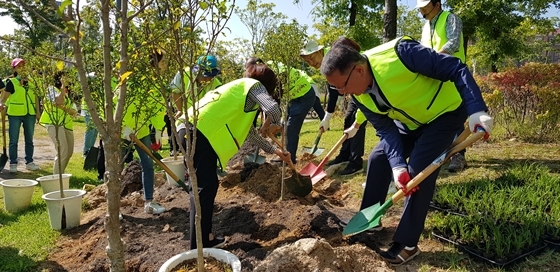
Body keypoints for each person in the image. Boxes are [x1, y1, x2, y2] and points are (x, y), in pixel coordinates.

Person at [320, 36, 492, 265]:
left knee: (420, 169)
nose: (341, 93)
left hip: (445, 113)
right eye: (336, 88)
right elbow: (386, 130)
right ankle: (371, 217)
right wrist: (398, 165)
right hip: (410, 121)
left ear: (359, 70)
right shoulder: (359, 96)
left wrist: (476, 109)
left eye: (342, 85)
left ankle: (407, 243)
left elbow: (455, 67)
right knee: (379, 157)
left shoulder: (400, 54)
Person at [175, 61, 291, 249]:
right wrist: (276, 123)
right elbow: (273, 109)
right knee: (205, 188)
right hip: (200, 132)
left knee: (204, 186)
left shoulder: (240, 93)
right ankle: (200, 245)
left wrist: (275, 151)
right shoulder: (253, 86)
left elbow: (250, 133)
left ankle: (203, 240)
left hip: (187, 129)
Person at [300, 40, 366, 176]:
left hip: (362, 86)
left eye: (312, 58)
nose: (311, 63)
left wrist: (328, 117)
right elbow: (333, 90)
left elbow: (335, 92)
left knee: (356, 122)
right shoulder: (326, 62)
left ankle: (355, 163)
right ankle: (345, 155)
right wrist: (327, 117)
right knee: (348, 119)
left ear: (319, 51)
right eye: (308, 61)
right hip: (354, 91)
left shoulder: (334, 56)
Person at [417, 0, 468, 172]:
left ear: (437, 4)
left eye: (425, 8)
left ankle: (458, 156)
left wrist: (434, 61)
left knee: (456, 115)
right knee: (438, 118)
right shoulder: (425, 26)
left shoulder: (451, 18)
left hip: (453, 76)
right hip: (434, 79)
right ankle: (442, 152)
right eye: (420, 9)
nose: (422, 12)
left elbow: (453, 43)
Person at [120, 50, 168, 215]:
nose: (165, 65)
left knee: (148, 165)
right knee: (115, 167)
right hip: (123, 131)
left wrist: (159, 129)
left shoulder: (156, 83)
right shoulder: (135, 79)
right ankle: (113, 207)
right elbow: (121, 100)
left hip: (141, 131)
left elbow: (157, 109)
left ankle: (148, 202)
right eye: (163, 62)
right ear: (154, 62)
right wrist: (124, 126)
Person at [167, 55, 222, 156]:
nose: (209, 79)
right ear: (198, 71)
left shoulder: (216, 83)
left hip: (204, 119)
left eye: (212, 76)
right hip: (186, 117)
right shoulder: (184, 74)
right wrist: (179, 110)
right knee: (184, 143)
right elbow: (176, 91)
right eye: (206, 76)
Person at [268, 61, 316, 164]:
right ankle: (285, 154)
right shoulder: (271, 68)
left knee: (291, 128)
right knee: (284, 125)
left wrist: (268, 123)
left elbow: (277, 99)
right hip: (293, 98)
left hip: (304, 97)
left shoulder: (278, 72)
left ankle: (290, 159)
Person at [0, 58, 41, 173]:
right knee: (13, 140)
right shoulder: (11, 82)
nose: (22, 68)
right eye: (19, 66)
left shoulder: (33, 81)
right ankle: (13, 163)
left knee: (29, 140)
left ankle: (29, 162)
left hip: (30, 114)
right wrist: (1, 104)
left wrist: (38, 112)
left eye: (23, 65)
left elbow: (36, 97)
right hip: (15, 115)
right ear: (14, 69)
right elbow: (3, 99)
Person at [39, 71, 77, 174]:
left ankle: (61, 174)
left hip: (66, 124)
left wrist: (68, 109)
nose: (69, 80)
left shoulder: (65, 92)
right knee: (62, 151)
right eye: (66, 78)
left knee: (69, 152)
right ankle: (57, 178)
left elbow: (71, 109)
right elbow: (59, 102)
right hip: (54, 123)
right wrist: (63, 87)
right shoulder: (51, 89)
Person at [81, 71, 99, 158]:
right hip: (88, 108)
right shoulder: (91, 76)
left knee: (95, 131)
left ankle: (90, 150)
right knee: (91, 130)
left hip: (97, 109)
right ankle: (86, 151)